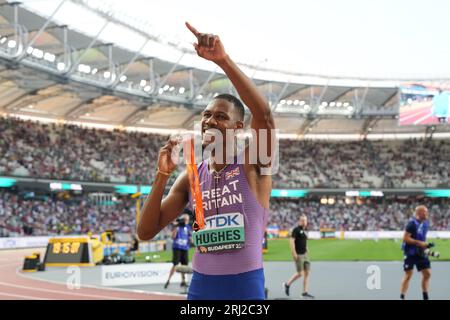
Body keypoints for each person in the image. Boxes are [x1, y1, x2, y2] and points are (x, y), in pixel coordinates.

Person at [138, 22, 275, 300]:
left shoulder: (253, 163)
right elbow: (145, 232)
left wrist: (222, 61)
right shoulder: (191, 175)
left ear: (239, 127)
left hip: (244, 285)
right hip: (201, 286)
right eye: (206, 115)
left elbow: (264, 115)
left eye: (221, 117)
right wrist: (161, 176)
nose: (210, 120)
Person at [400, 205, 432, 300]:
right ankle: (402, 296)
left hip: (421, 252)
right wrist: (419, 243)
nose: (427, 214)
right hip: (410, 253)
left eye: (427, 211)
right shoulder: (412, 224)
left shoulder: (426, 223)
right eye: (425, 212)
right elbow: (405, 238)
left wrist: (426, 246)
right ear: (419, 213)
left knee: (427, 274)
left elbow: (422, 237)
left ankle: (425, 296)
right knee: (408, 275)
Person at [283, 214, 314, 299]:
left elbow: (304, 241)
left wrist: (307, 249)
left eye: (305, 220)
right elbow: (291, 241)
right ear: (299, 221)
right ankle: (287, 284)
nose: (304, 222)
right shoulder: (296, 230)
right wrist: (294, 253)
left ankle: (305, 292)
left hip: (305, 255)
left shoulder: (304, 231)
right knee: (300, 273)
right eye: (303, 220)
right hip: (299, 255)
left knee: (307, 273)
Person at [164, 214, 191, 289]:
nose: (186, 221)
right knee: (175, 264)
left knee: (184, 265)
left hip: (185, 248)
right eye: (185, 220)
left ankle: (183, 281)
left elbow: (190, 237)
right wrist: (175, 228)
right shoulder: (177, 227)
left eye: (187, 220)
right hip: (177, 247)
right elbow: (173, 237)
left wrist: (191, 239)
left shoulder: (188, 227)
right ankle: (168, 280)